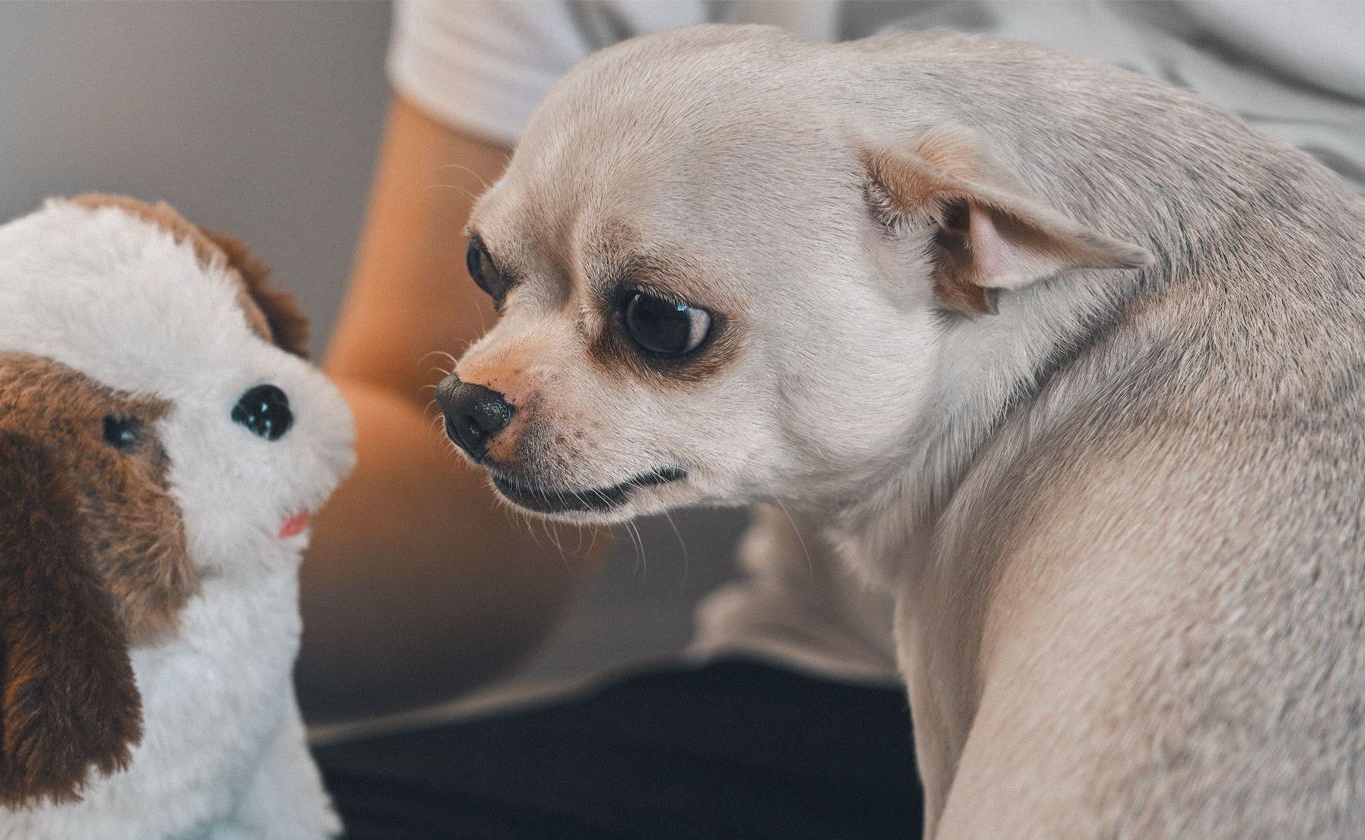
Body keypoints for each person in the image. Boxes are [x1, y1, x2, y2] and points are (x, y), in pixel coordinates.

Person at [299, 3, 1365, 837]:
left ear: (971, 245)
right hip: (800, 694)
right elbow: (408, 407)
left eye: (662, 326)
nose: (483, 381)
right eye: (497, 274)